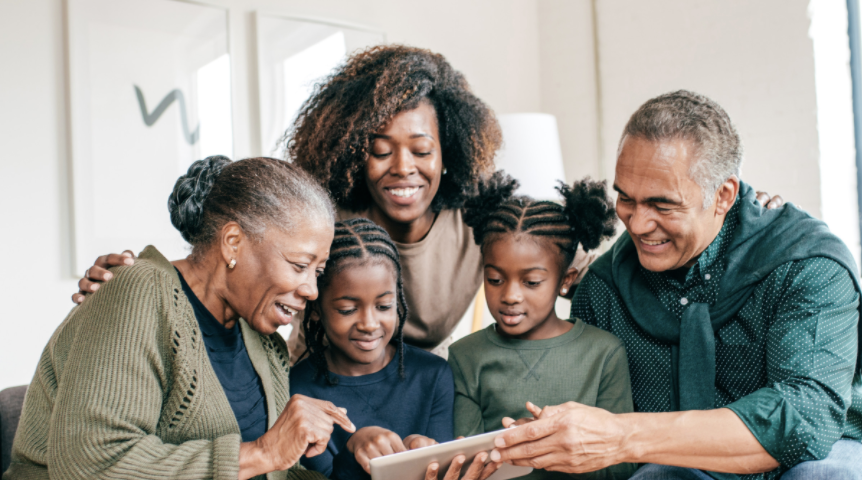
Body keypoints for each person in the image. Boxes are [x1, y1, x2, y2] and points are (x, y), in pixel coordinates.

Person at [71, 45, 597, 360]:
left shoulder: (480, 220)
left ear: (449, 153)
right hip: (316, 382)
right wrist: (139, 282)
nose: (402, 168)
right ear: (351, 151)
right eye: (379, 149)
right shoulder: (325, 220)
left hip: (414, 392)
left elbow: (564, 264)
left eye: (421, 150)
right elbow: (230, 256)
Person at [487, 91, 862, 479]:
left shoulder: (807, 266)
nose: (636, 224)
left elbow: (803, 417)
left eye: (662, 205)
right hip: (677, 465)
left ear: (723, 196)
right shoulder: (603, 288)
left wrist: (623, 435)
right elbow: (584, 429)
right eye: (626, 198)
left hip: (822, 455)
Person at [4, 156, 355, 480]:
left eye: (318, 270)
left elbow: (271, 471)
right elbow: (96, 461)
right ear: (233, 242)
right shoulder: (138, 291)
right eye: (299, 265)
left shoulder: (264, 343)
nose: (311, 289)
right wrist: (261, 453)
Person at [449, 172, 635, 479]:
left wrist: (549, 448)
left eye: (531, 282)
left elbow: (621, 469)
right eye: (494, 279)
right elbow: (464, 463)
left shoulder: (604, 353)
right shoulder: (465, 356)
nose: (509, 295)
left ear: (566, 281)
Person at [290, 218, 496, 480]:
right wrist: (353, 450)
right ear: (316, 309)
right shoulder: (297, 391)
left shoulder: (432, 375)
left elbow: (446, 469)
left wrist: (420, 456)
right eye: (347, 310)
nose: (369, 324)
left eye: (384, 306)